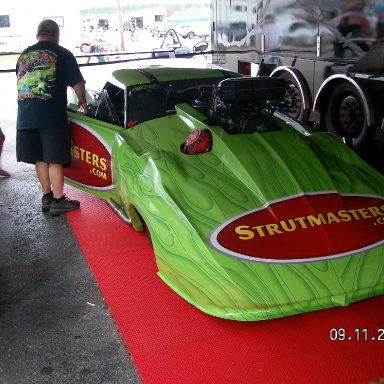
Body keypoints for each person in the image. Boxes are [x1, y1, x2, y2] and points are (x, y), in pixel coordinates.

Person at [16, 19, 87, 215]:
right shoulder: (62, 54)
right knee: (54, 158)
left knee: (39, 158)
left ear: (38, 35)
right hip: (51, 116)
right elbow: (78, 85)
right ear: (56, 35)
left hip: (25, 116)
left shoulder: (24, 55)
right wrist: (83, 102)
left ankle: (46, 197)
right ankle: (58, 200)